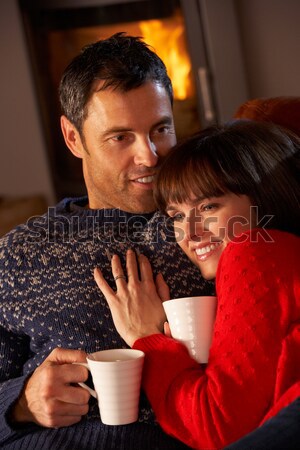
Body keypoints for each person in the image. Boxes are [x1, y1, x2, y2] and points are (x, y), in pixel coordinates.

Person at [0, 33, 213, 449]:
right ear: (73, 137)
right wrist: (20, 403)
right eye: (121, 137)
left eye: (161, 128)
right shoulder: (18, 255)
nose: (150, 156)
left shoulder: (212, 226)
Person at [94, 120, 300, 449]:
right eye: (176, 215)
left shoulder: (254, 250)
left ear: (265, 198)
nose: (188, 233)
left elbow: (216, 426)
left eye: (207, 207)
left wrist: (146, 338)